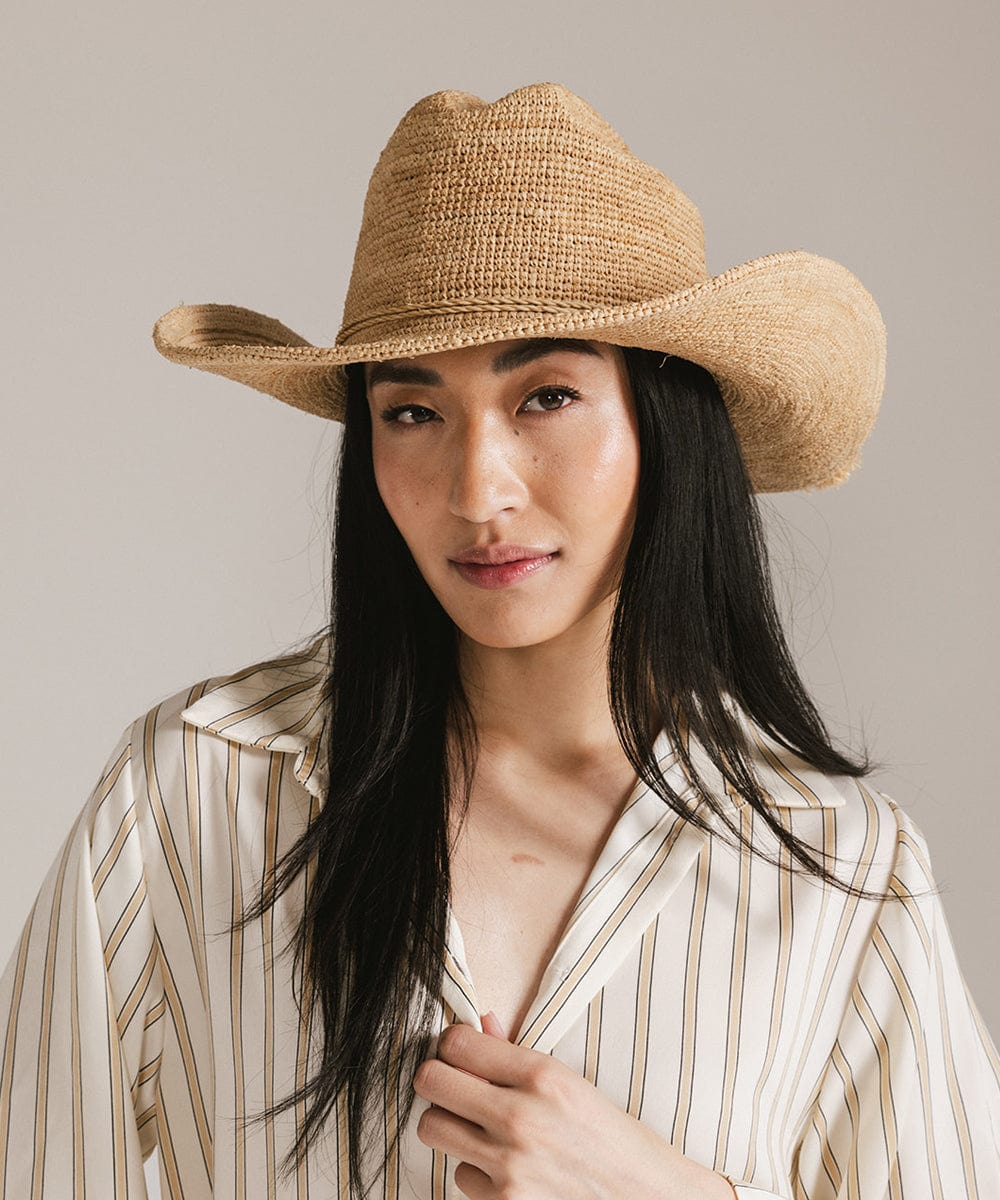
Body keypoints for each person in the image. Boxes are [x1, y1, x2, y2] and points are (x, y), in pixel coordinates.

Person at [1, 81, 998, 1200]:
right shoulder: (192, 793)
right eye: (412, 412)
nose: (477, 491)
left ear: (666, 425)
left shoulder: (839, 867)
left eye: (546, 397)